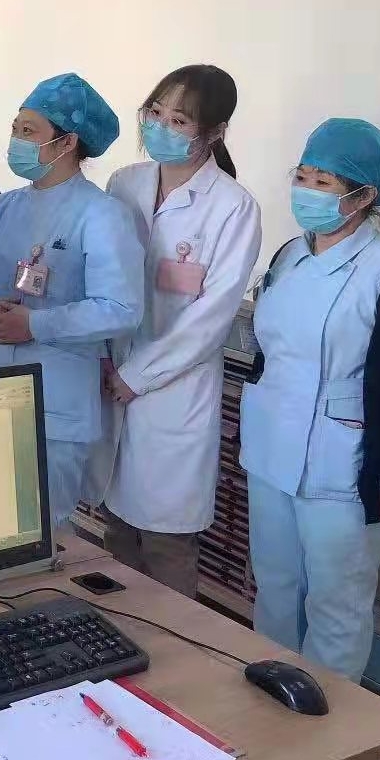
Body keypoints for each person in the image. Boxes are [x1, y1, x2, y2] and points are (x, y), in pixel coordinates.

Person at [242, 119, 380, 680]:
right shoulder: (288, 256)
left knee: (337, 601)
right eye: (302, 177)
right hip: (271, 448)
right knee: (275, 585)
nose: (307, 191)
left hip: (342, 463)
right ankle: (270, 692)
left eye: (323, 182)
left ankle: (330, 716)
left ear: (364, 196)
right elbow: (268, 351)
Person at [97, 65, 262, 596]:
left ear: (214, 132)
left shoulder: (233, 208)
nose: (161, 127)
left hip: (174, 394)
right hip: (111, 377)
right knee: (116, 534)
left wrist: (136, 376)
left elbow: (210, 319)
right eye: (156, 113)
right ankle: (111, 641)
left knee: (166, 545)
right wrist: (107, 364)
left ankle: (173, 647)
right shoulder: (125, 184)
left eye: (180, 120)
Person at [0, 73, 145, 529]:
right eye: (15, 129)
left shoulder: (102, 214)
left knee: (40, 531)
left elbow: (121, 308)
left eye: (29, 131)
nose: (16, 141)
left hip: (54, 403)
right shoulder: (5, 206)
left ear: (67, 142)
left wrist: (35, 325)